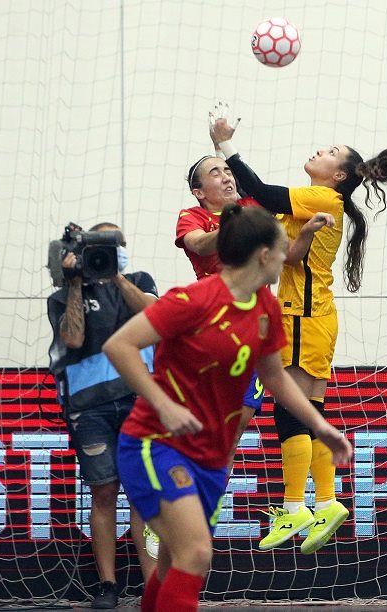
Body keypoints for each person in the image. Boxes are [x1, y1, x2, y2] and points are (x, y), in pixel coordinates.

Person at [105, 205, 353, 612]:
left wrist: (320, 427)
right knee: (197, 554)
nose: (288, 253)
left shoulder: (265, 308)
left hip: (213, 456)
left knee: (172, 563)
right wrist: (164, 404)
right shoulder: (193, 299)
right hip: (157, 443)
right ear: (263, 254)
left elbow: (274, 378)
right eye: (283, 246)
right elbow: (120, 345)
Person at [208, 115, 387, 554]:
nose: (320, 150)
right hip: (316, 315)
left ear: (340, 176)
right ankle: (327, 501)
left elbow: (264, 191)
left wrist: (226, 148)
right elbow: (288, 249)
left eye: (330, 152)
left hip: (302, 313)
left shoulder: (322, 197)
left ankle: (296, 503)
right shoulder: (314, 204)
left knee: (289, 408)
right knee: (309, 407)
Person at [177, 155, 334, 466]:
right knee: (209, 428)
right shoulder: (192, 216)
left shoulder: (253, 207)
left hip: (255, 331)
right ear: (199, 192)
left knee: (234, 431)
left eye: (227, 170)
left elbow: (288, 255)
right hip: (214, 329)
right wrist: (237, 226)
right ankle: (187, 494)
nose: (226, 176)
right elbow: (199, 244)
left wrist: (306, 233)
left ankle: (210, 507)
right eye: (215, 172)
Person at [46, 223, 157, 609]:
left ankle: (153, 584)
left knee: (144, 495)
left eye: (118, 246)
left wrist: (116, 276)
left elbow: (157, 319)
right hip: (89, 408)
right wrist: (77, 282)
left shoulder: (140, 280)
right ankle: (108, 584)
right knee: (104, 491)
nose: (112, 251)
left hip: (139, 399)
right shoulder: (63, 295)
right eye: (103, 247)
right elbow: (72, 339)